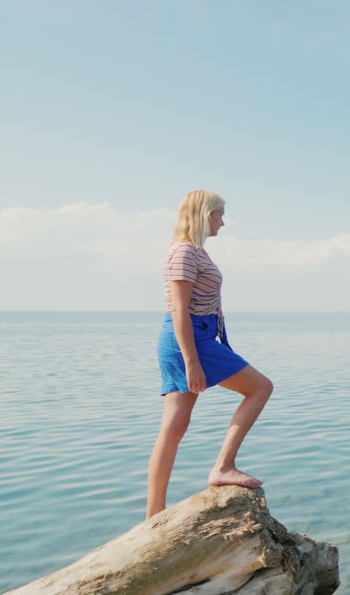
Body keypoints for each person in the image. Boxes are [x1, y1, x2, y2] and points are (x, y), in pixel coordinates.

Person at [146, 190, 274, 519]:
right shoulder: (184, 252)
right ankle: (222, 467)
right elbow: (178, 309)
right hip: (187, 337)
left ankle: (154, 514)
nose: (222, 220)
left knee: (174, 427)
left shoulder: (195, 251)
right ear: (204, 215)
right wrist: (192, 361)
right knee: (260, 388)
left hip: (196, 335)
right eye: (218, 214)